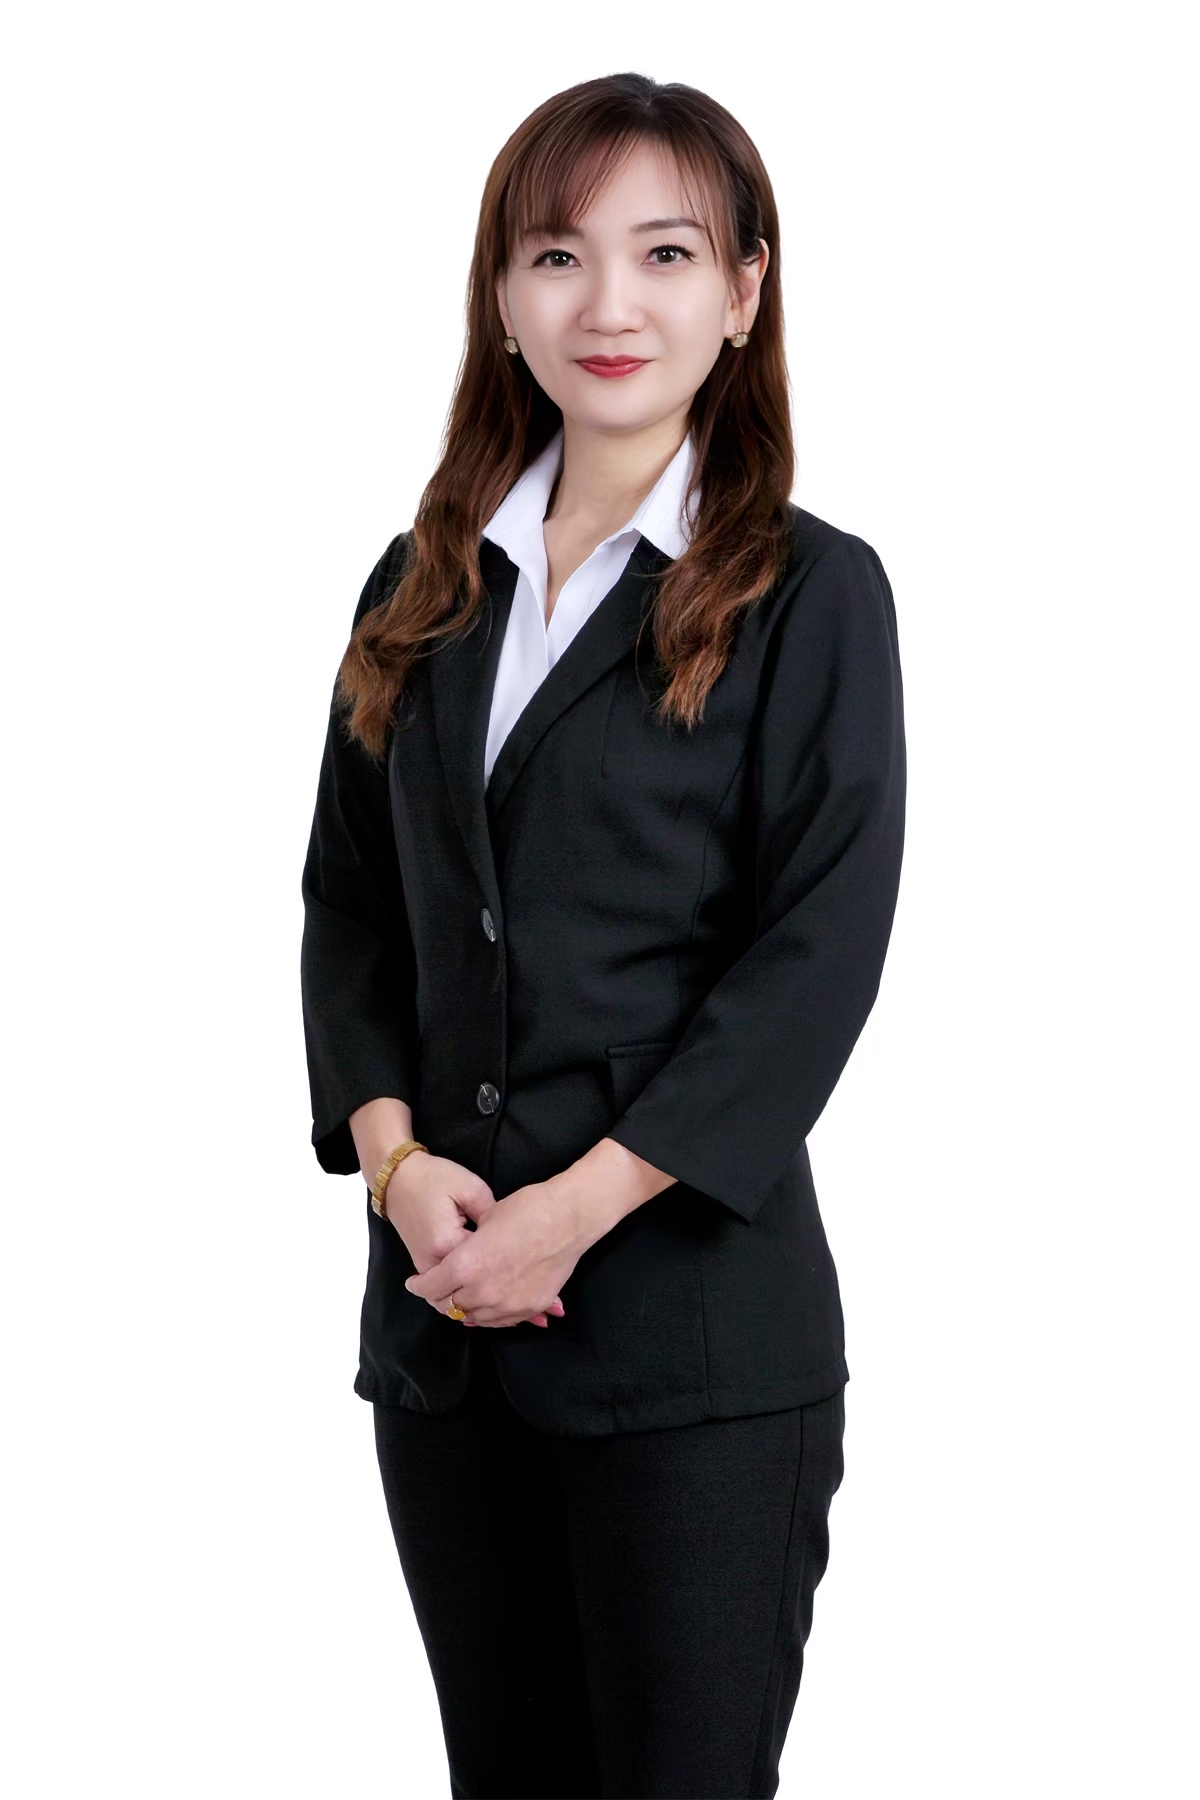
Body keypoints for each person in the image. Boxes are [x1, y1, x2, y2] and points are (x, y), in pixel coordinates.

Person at [300, 71, 906, 1800]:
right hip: (445, 1343)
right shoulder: (419, 586)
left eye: (666, 253)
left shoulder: (811, 592)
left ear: (745, 291)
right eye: (558, 255)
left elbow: (815, 958)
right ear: (502, 296)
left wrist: (571, 1213)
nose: (609, 305)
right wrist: (394, 1163)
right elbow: (351, 909)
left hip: (694, 1352)